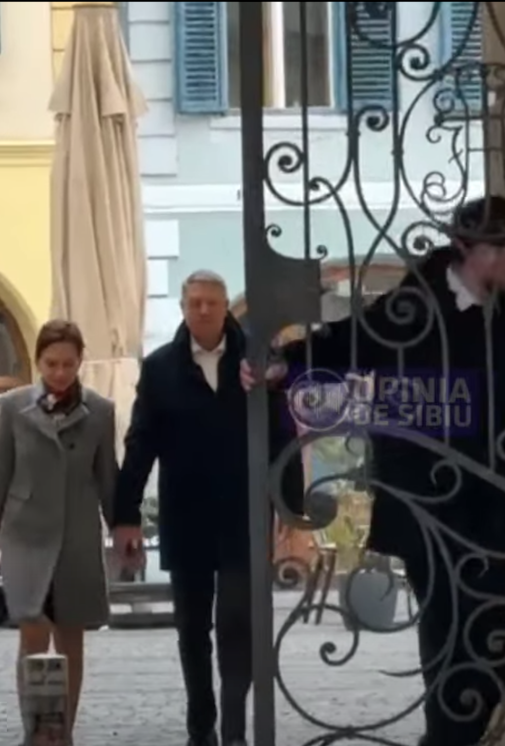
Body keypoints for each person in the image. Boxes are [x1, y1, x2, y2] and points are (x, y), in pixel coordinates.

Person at [242, 195, 505, 746]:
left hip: (499, 512)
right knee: (446, 643)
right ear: (480, 252)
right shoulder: (412, 307)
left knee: (493, 650)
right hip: (425, 509)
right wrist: (285, 363)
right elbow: (350, 342)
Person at [112, 270, 300, 746]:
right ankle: (202, 727)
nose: (203, 310)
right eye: (195, 302)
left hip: (244, 515)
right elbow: (140, 442)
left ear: (224, 307)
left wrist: (292, 508)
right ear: (183, 307)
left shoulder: (256, 360)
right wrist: (125, 515)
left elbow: (283, 434)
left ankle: (234, 728)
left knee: (238, 627)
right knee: (192, 629)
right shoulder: (160, 368)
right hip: (186, 515)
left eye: (212, 302)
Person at [0, 319, 118, 744]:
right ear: (38, 362)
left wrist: (125, 531)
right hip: (26, 538)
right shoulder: (12, 407)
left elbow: (108, 479)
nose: (60, 373)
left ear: (80, 362)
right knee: (32, 631)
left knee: (71, 635)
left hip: (76, 541)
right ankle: (35, 731)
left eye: (68, 364)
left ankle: (64, 731)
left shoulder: (100, 412)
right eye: (52, 363)